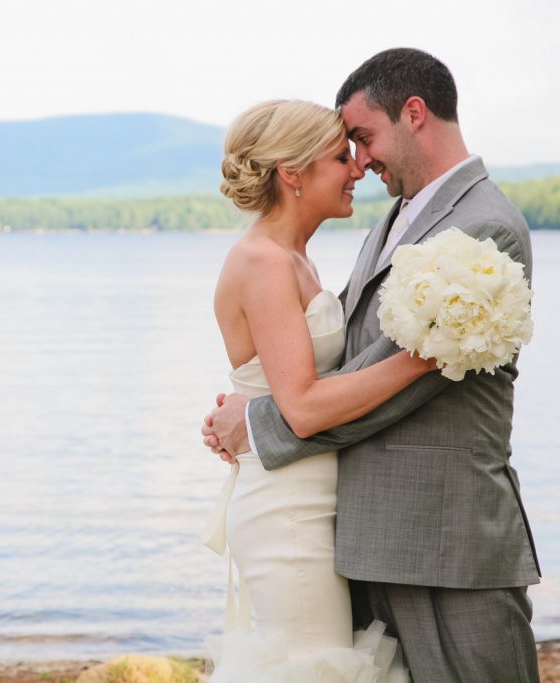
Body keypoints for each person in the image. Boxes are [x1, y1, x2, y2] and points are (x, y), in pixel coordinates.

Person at [203, 48, 541, 682]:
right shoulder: (389, 221)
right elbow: (359, 368)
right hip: (360, 529)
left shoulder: (483, 228)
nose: (359, 161)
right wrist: (263, 409)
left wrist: (259, 422)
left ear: (413, 114)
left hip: (446, 532)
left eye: (362, 137)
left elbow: (391, 383)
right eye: (345, 149)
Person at [203, 98, 435, 681]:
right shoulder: (262, 262)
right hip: (287, 511)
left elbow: (294, 386)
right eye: (339, 157)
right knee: (314, 667)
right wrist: (420, 361)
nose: (357, 167)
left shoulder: (294, 258)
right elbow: (302, 407)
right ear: (292, 172)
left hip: (313, 498)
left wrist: (248, 413)